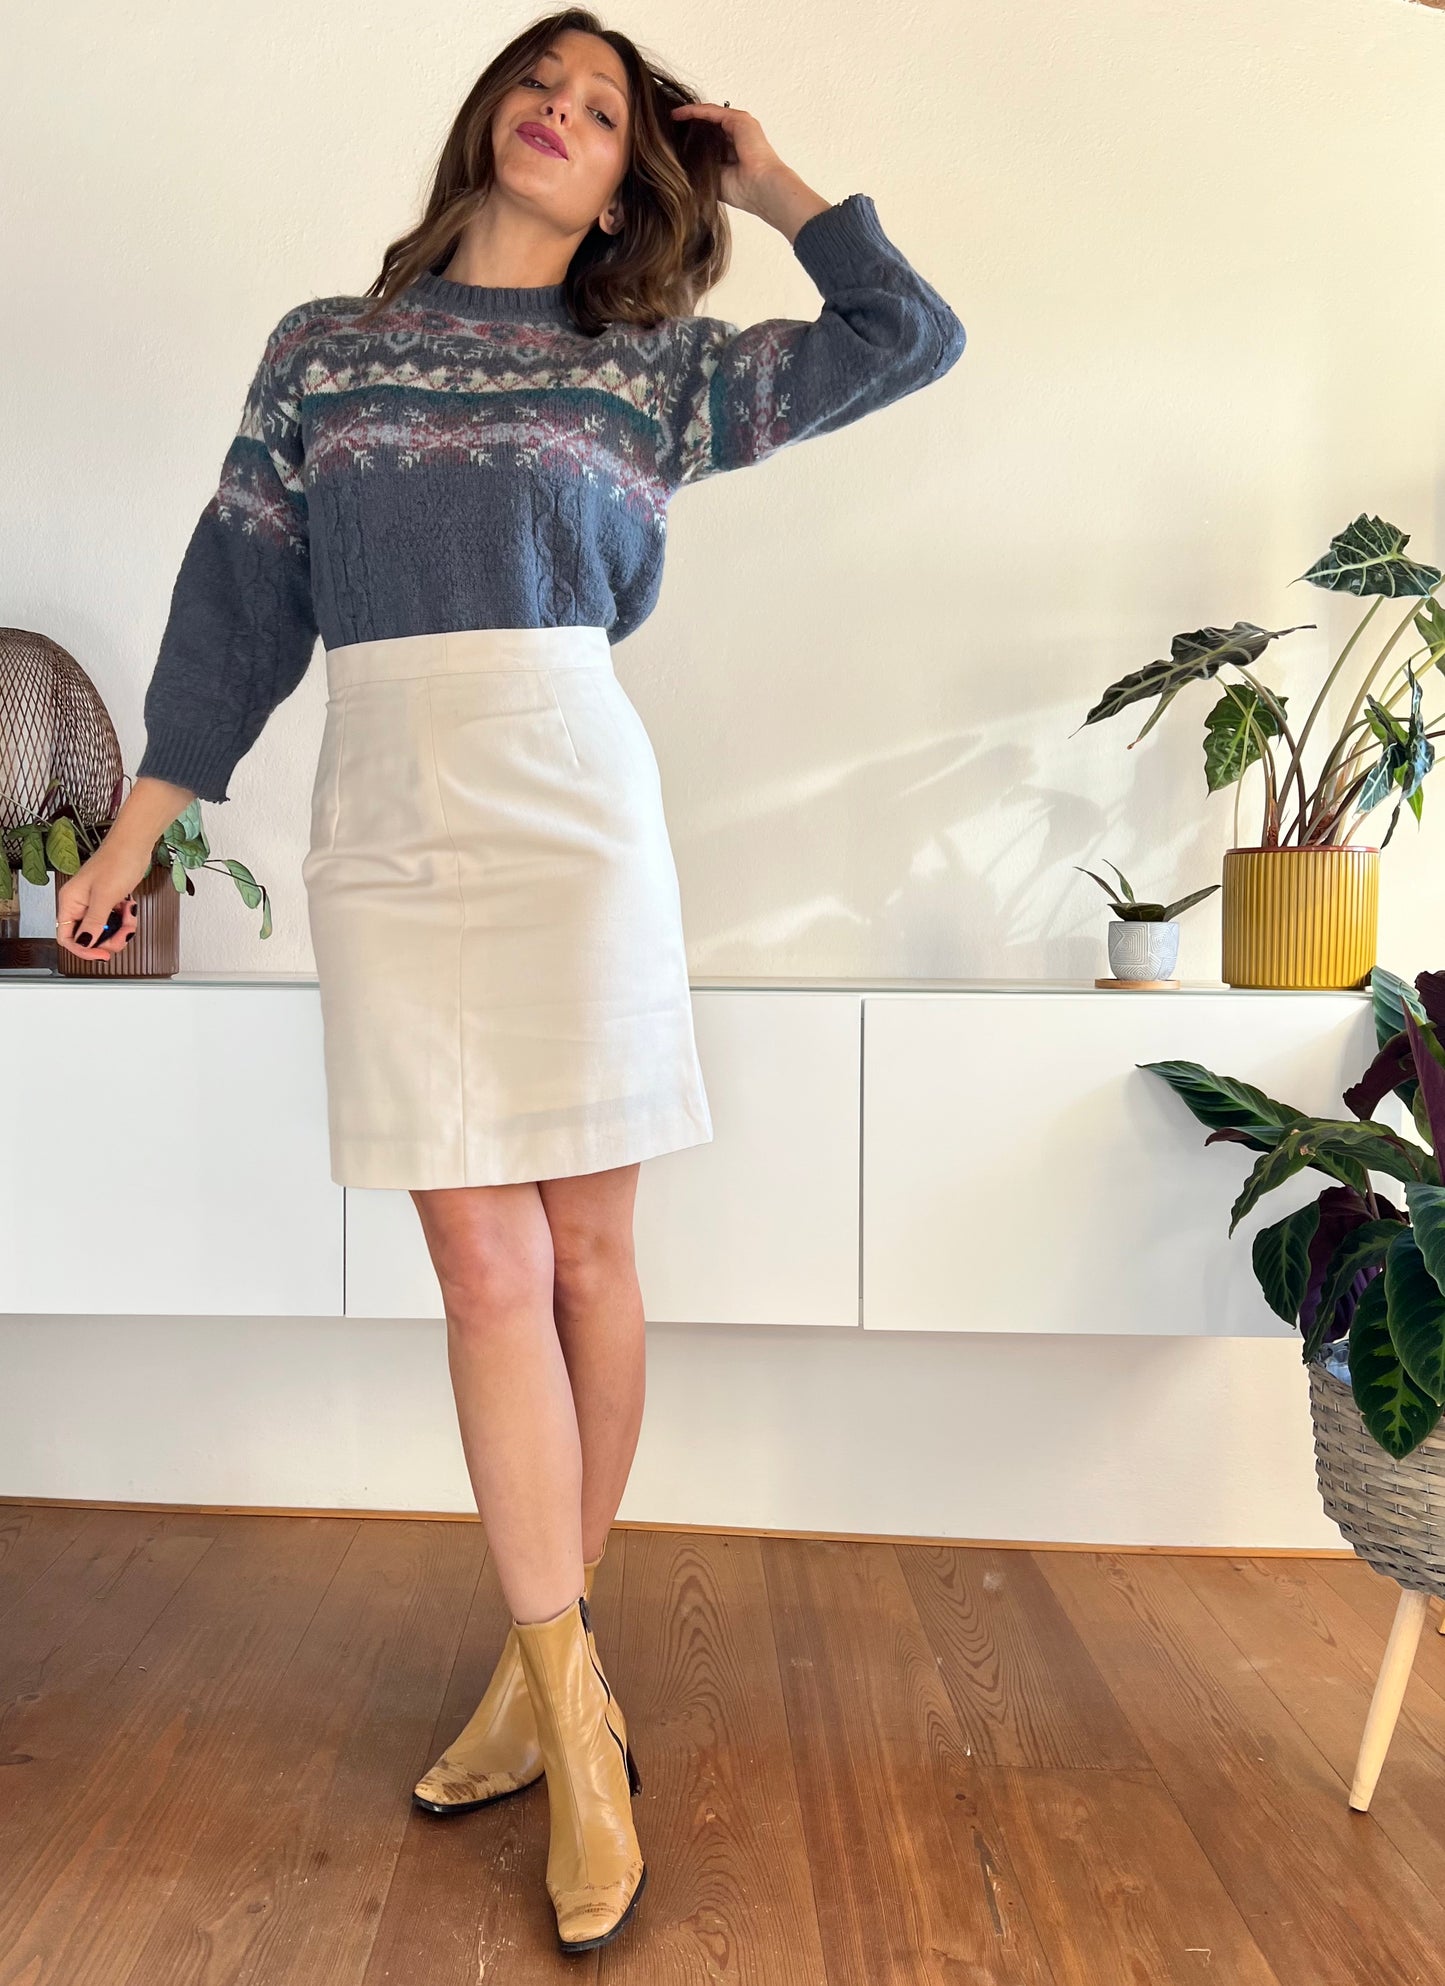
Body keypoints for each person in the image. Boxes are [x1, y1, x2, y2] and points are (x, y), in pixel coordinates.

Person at [55, 4, 966, 1953]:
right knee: (480, 1263)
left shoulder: (647, 368)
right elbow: (237, 606)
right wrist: (127, 838)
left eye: (607, 106)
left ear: (644, 165)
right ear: (488, 119)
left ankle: (546, 1680)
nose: (562, 112)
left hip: (572, 804)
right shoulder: (326, 351)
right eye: (539, 82)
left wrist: (776, 172)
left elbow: (912, 336)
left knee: (589, 1261)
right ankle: (568, 1699)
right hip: (386, 810)